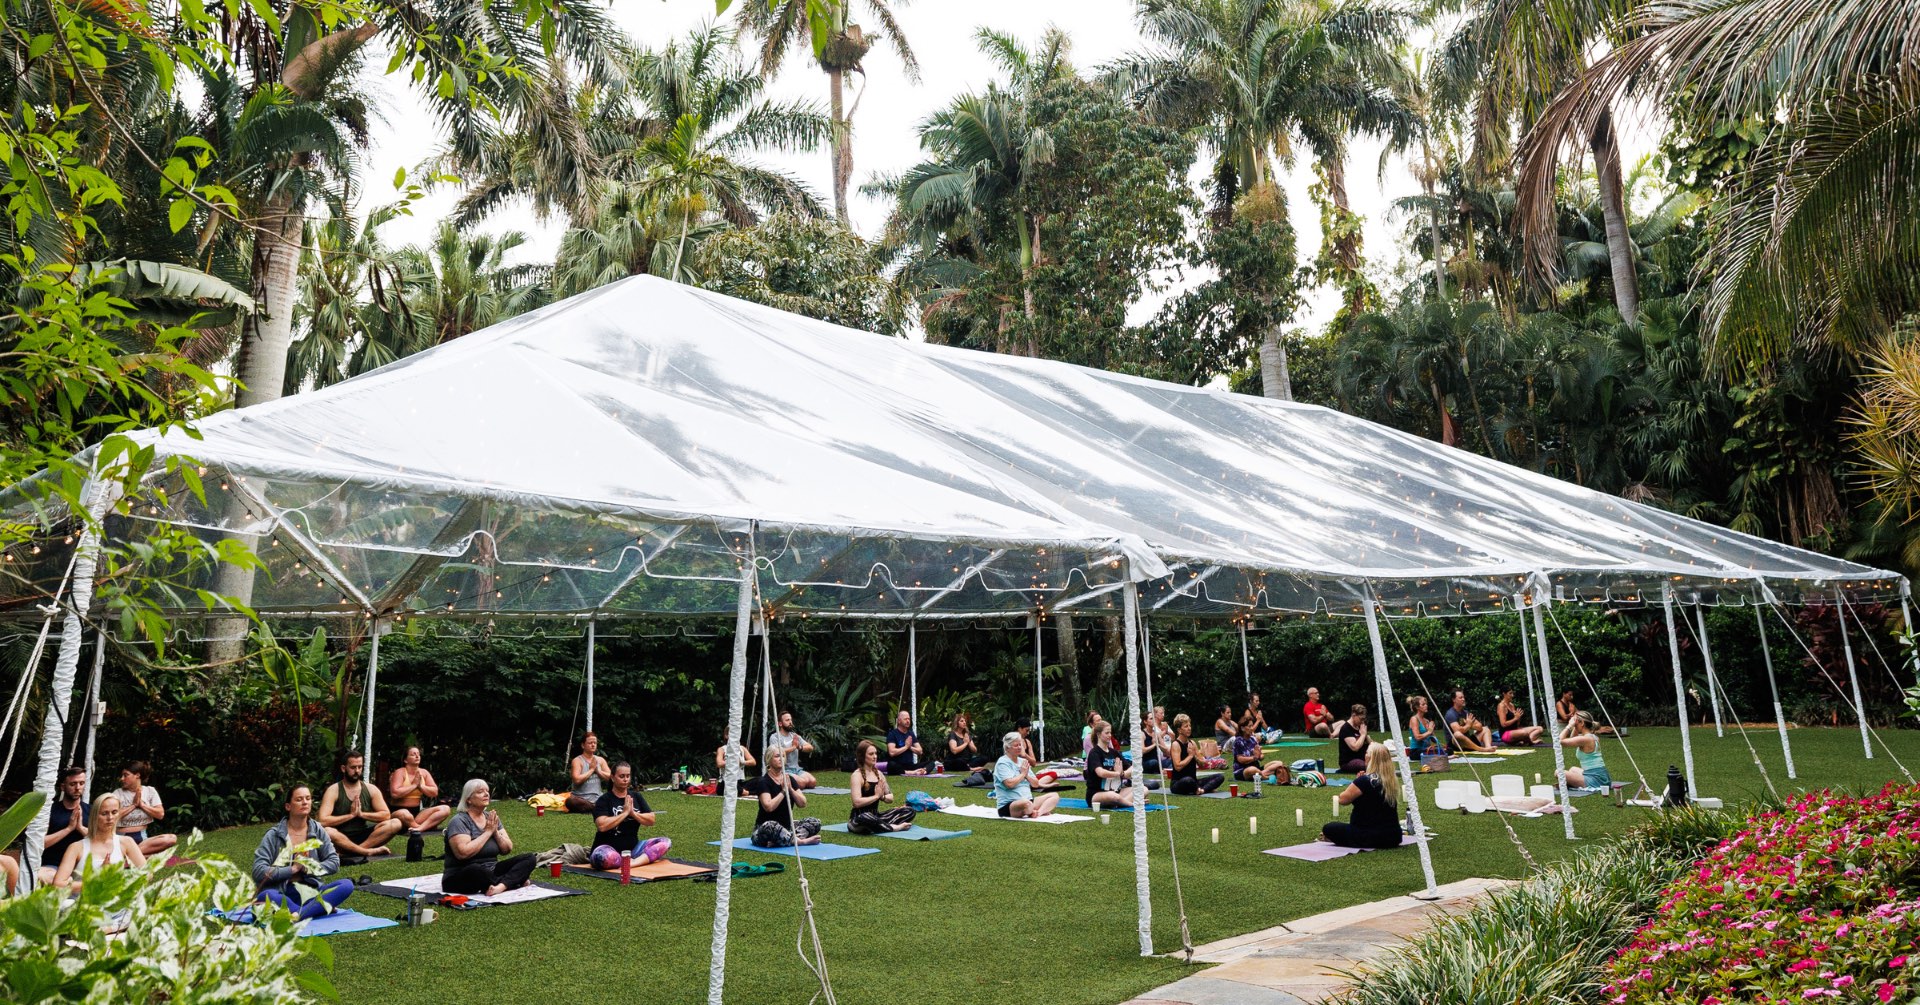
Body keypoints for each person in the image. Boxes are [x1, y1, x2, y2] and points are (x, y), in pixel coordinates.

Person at [252, 783, 353, 920]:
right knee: (266, 896)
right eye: (299, 799)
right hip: (282, 893)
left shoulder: (317, 830)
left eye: (308, 798)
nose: (305, 802)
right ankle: (316, 909)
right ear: (288, 806)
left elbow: (334, 863)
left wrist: (308, 868)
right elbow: (258, 871)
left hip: (310, 893)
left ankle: (298, 914)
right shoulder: (274, 835)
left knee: (346, 885)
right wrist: (293, 869)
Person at [444, 778, 536, 896]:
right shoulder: (459, 821)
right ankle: (513, 881)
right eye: (480, 792)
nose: (486, 794)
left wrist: (495, 832)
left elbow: (507, 849)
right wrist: (487, 832)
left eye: (487, 791)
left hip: (492, 870)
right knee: (476, 869)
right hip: (462, 874)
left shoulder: (491, 818)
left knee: (529, 858)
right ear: (469, 799)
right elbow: (463, 853)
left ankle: (500, 887)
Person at [318, 749, 402, 862]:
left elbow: (386, 815)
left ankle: (356, 851)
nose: (357, 771)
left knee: (395, 823)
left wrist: (361, 814)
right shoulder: (333, 790)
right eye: (353, 767)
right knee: (328, 831)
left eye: (360, 767)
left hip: (365, 836)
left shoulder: (371, 789)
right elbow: (322, 820)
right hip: (340, 837)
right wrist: (351, 815)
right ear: (343, 768)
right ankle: (365, 851)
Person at [51, 791, 146, 889]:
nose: (110, 818)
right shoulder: (76, 847)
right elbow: (58, 885)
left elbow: (147, 874)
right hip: (80, 902)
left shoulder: (126, 842)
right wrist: (97, 880)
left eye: (114, 812)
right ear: (95, 816)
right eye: (104, 813)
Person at [1321, 742, 1405, 849]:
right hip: (1393, 836)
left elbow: (1343, 799)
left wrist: (1356, 781)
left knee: (1329, 828)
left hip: (1369, 835)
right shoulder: (1390, 780)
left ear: (1370, 758)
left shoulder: (1364, 781)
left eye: (1366, 753)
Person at [591, 762, 665, 862]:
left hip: (633, 850)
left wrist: (633, 813)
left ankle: (632, 863)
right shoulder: (604, 800)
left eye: (628, 776)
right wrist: (624, 813)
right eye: (622, 776)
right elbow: (602, 826)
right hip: (607, 850)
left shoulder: (636, 796)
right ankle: (631, 861)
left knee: (664, 842)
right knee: (604, 858)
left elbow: (651, 820)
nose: (625, 779)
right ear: (612, 778)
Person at [749, 745, 821, 847]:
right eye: (777, 756)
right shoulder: (763, 782)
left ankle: (784, 839)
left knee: (814, 822)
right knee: (770, 826)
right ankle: (799, 841)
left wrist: (790, 790)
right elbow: (769, 807)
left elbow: (802, 803)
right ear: (769, 759)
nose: (781, 759)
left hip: (787, 827)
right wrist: (783, 792)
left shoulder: (789, 780)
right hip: (764, 829)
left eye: (783, 756)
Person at [847, 740, 917, 834]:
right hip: (858, 819)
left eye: (875, 753)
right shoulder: (857, 775)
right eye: (871, 754)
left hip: (876, 816)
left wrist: (882, 797)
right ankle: (893, 827)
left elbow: (890, 797)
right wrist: (876, 796)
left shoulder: (879, 774)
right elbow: (856, 802)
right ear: (862, 756)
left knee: (910, 810)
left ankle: (879, 825)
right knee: (866, 817)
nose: (875, 756)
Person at [38, 766, 88, 884]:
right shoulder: (50, 811)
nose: (78, 788)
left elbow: (100, 840)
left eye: (81, 783)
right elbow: (39, 843)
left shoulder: (91, 811)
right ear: (62, 787)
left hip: (80, 867)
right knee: (41, 876)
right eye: (73, 784)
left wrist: (80, 828)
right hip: (52, 866)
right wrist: (68, 829)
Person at [993, 733, 1059, 819]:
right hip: (1010, 805)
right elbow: (1009, 784)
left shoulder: (1023, 761)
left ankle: (1038, 813)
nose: (1019, 747)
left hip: (1028, 800)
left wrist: (1026, 775)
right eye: (1016, 745)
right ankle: (1034, 810)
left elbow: (1035, 784)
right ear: (1007, 748)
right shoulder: (1002, 763)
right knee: (1026, 804)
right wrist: (1023, 774)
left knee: (1054, 796)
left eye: (1020, 745)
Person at [387, 746, 452, 833]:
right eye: (413, 755)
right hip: (398, 814)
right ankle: (421, 826)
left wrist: (421, 786)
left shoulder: (424, 772)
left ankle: (419, 828)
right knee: (404, 813)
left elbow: (434, 792)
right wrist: (414, 785)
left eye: (418, 754)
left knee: (445, 809)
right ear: (405, 760)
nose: (417, 756)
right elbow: (395, 793)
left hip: (416, 814)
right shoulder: (400, 772)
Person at [1166, 714, 1224, 795]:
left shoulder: (1192, 743)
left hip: (1194, 781)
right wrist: (1190, 755)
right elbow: (1177, 767)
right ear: (1179, 730)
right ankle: (1201, 789)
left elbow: (1202, 765)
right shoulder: (1176, 744)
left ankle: (1201, 790)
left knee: (1219, 777)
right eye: (1186, 726)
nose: (1189, 728)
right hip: (1179, 783)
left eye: (1190, 725)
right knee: (1188, 780)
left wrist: (1203, 759)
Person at [1559, 712, 1614, 791]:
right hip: (1602, 777)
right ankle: (1573, 782)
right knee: (1572, 769)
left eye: (1576, 722)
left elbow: (1559, 741)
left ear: (1582, 723)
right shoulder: (1592, 737)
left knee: (1559, 772)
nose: (1574, 723)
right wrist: (1575, 725)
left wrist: (1569, 726)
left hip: (1597, 780)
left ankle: (1574, 783)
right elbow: (1572, 738)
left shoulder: (1585, 739)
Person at [1084, 721, 1131, 809]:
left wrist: (1122, 773)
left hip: (1116, 791)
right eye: (1107, 733)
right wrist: (1116, 773)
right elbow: (1100, 772)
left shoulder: (1114, 752)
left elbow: (1131, 768)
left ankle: (1119, 803)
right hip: (1096, 794)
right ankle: (1130, 803)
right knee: (1113, 796)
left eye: (1110, 732)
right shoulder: (1094, 752)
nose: (1110, 735)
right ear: (1098, 734)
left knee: (1143, 789)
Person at [1230, 717, 1290, 783]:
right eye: (1249, 726)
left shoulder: (1253, 739)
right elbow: (1240, 759)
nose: (1252, 728)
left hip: (1257, 768)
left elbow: (1261, 757)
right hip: (1243, 771)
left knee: (1279, 763)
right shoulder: (1238, 741)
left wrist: (1259, 755)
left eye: (1252, 726)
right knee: (1252, 770)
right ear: (1242, 728)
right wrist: (1254, 757)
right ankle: (1266, 777)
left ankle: (1260, 774)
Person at [768, 710, 818, 789]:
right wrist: (793, 747)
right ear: (780, 723)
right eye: (787, 720)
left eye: (790, 720)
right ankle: (782, 780)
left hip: (796, 769)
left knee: (812, 782)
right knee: (802, 783)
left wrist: (800, 747)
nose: (790, 722)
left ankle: (794, 781)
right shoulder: (774, 737)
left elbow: (810, 747)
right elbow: (777, 752)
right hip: (783, 770)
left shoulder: (794, 736)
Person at [567, 732, 611, 814]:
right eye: (590, 743)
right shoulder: (577, 761)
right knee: (570, 801)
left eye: (595, 743)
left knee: (612, 797)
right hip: (581, 799)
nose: (593, 745)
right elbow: (576, 780)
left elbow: (612, 777)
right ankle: (596, 808)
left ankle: (593, 808)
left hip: (598, 798)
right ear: (583, 745)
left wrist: (598, 771)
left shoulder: (600, 760)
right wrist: (591, 770)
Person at [884, 710, 927, 775]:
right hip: (898, 765)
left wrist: (910, 747)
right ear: (899, 721)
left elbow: (920, 751)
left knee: (931, 763)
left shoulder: (910, 734)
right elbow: (891, 752)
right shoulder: (892, 734)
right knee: (891, 765)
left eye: (909, 719)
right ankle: (911, 772)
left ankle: (923, 771)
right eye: (905, 719)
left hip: (910, 765)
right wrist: (905, 747)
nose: (908, 721)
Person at [1333, 705, 1371, 774]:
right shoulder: (1346, 728)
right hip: (1348, 761)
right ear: (1354, 715)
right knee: (1364, 766)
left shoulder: (1360, 726)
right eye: (1361, 719)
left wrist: (1366, 735)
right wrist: (1362, 735)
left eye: (1364, 719)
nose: (1362, 721)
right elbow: (1355, 748)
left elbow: (1371, 745)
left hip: (1362, 758)